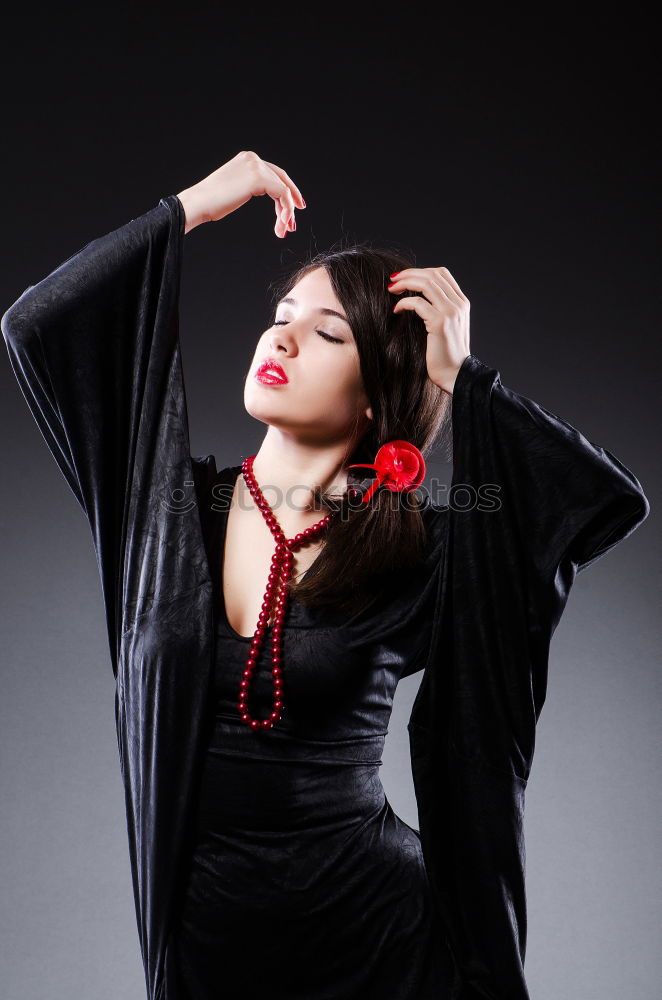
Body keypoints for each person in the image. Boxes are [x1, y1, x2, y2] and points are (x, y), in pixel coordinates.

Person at [1, 150, 649, 1000]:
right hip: (207, 949)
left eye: (328, 333)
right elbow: (35, 327)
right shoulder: (161, 506)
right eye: (282, 315)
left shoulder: (414, 549)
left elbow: (597, 501)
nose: (283, 336)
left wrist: (464, 378)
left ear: (379, 394)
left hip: (389, 945)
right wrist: (190, 206)